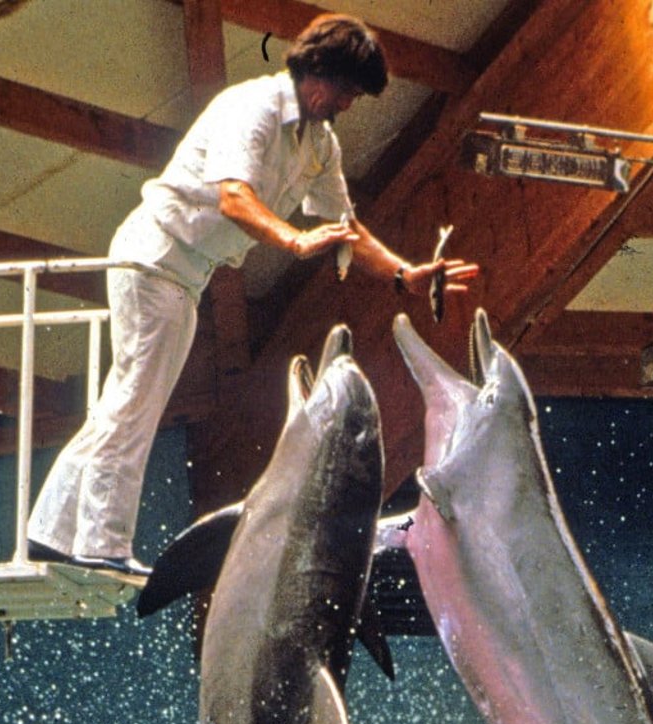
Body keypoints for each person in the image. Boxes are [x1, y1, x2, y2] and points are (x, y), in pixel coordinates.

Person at [28, 13, 478, 576]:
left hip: (186, 275)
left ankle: (49, 532)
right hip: (154, 257)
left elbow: (346, 228)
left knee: (127, 399)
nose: (347, 104)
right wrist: (293, 239)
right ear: (318, 70)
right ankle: (99, 543)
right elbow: (234, 199)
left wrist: (402, 273)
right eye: (345, 90)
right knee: (135, 402)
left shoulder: (319, 142)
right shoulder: (254, 108)